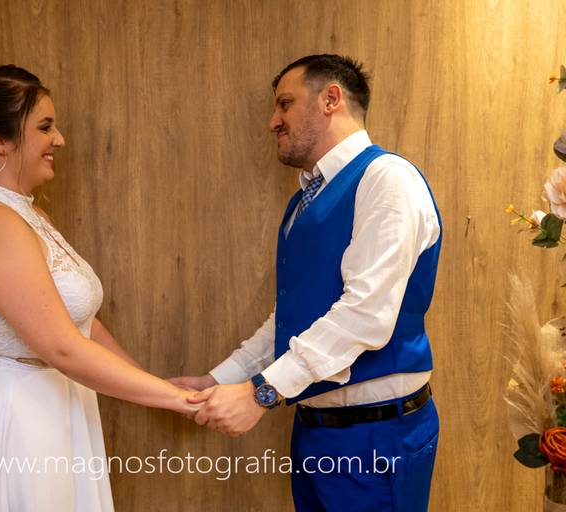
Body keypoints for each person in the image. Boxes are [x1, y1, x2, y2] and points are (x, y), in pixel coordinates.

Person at [171, 54, 441, 511]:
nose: (273, 122)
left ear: (331, 99)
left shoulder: (387, 179)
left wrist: (261, 393)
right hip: (314, 432)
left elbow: (365, 316)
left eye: (285, 104)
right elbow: (292, 317)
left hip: (376, 438)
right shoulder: (303, 201)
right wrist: (219, 379)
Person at [0, 65, 199, 512]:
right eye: (45, 127)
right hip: (19, 422)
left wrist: (153, 384)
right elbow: (62, 348)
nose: (60, 139)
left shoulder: (29, 216)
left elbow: (82, 323)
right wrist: (179, 401)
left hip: (58, 406)